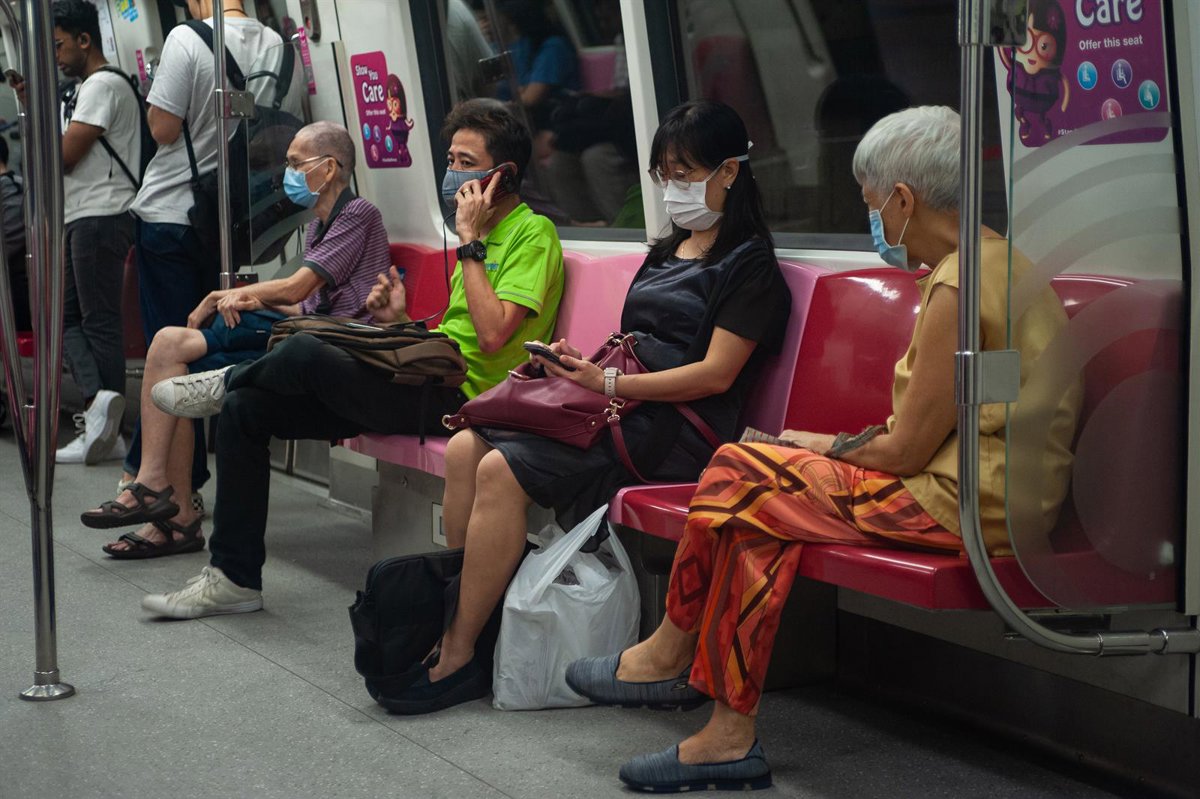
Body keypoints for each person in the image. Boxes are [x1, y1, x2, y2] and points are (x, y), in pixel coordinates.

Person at [566, 106, 1080, 793]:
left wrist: (821, 445)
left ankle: (670, 651)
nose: (874, 221)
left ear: (904, 200)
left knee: (737, 468)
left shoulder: (958, 288)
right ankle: (726, 734)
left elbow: (904, 452)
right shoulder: (997, 265)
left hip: (962, 503)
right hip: (988, 490)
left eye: (872, 204)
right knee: (756, 517)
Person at [385, 100, 791, 715]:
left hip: (676, 430)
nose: (673, 188)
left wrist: (609, 384)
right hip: (625, 408)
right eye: (664, 174)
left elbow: (715, 376)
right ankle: (474, 618)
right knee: (468, 445)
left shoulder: (749, 266)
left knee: (500, 468)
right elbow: (637, 343)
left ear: (729, 171)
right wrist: (585, 366)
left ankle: (460, 649)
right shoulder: (668, 250)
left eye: (685, 173)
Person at [139, 99, 565, 618]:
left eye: (467, 163)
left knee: (305, 350)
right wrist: (398, 320)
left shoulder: (532, 234)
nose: (454, 174)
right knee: (245, 411)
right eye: (451, 160)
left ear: (506, 175)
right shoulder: (479, 237)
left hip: (466, 400)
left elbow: (494, 336)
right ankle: (234, 579)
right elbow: (455, 335)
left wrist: (470, 243)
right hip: (425, 377)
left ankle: (227, 379)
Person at [79, 122, 387, 559]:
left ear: (330, 168)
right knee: (168, 344)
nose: (288, 174)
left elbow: (298, 289)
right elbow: (303, 304)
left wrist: (230, 295)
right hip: (305, 332)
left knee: (177, 359)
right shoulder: (320, 225)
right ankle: (157, 489)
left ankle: (171, 511)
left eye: (296, 163)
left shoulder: (358, 215)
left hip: (331, 350)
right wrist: (247, 299)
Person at [123, 0, 285, 504]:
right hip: (229, 221)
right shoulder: (279, 48)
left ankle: (169, 488)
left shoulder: (186, 39)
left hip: (173, 213)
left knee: (167, 352)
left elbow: (163, 129)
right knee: (200, 352)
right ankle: (177, 484)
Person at [20, 1, 141, 465]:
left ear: (85, 40)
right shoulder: (86, 90)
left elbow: (64, 157)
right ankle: (99, 409)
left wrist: (37, 120)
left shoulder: (102, 85)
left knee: (98, 320)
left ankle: (108, 429)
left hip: (101, 215)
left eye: (59, 45)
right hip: (84, 215)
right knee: (65, 318)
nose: (56, 56)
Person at [0, 136, 28, 332]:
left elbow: (9, 240)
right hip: (27, 283)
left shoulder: (6, 187)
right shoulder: (22, 184)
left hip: (11, 288)